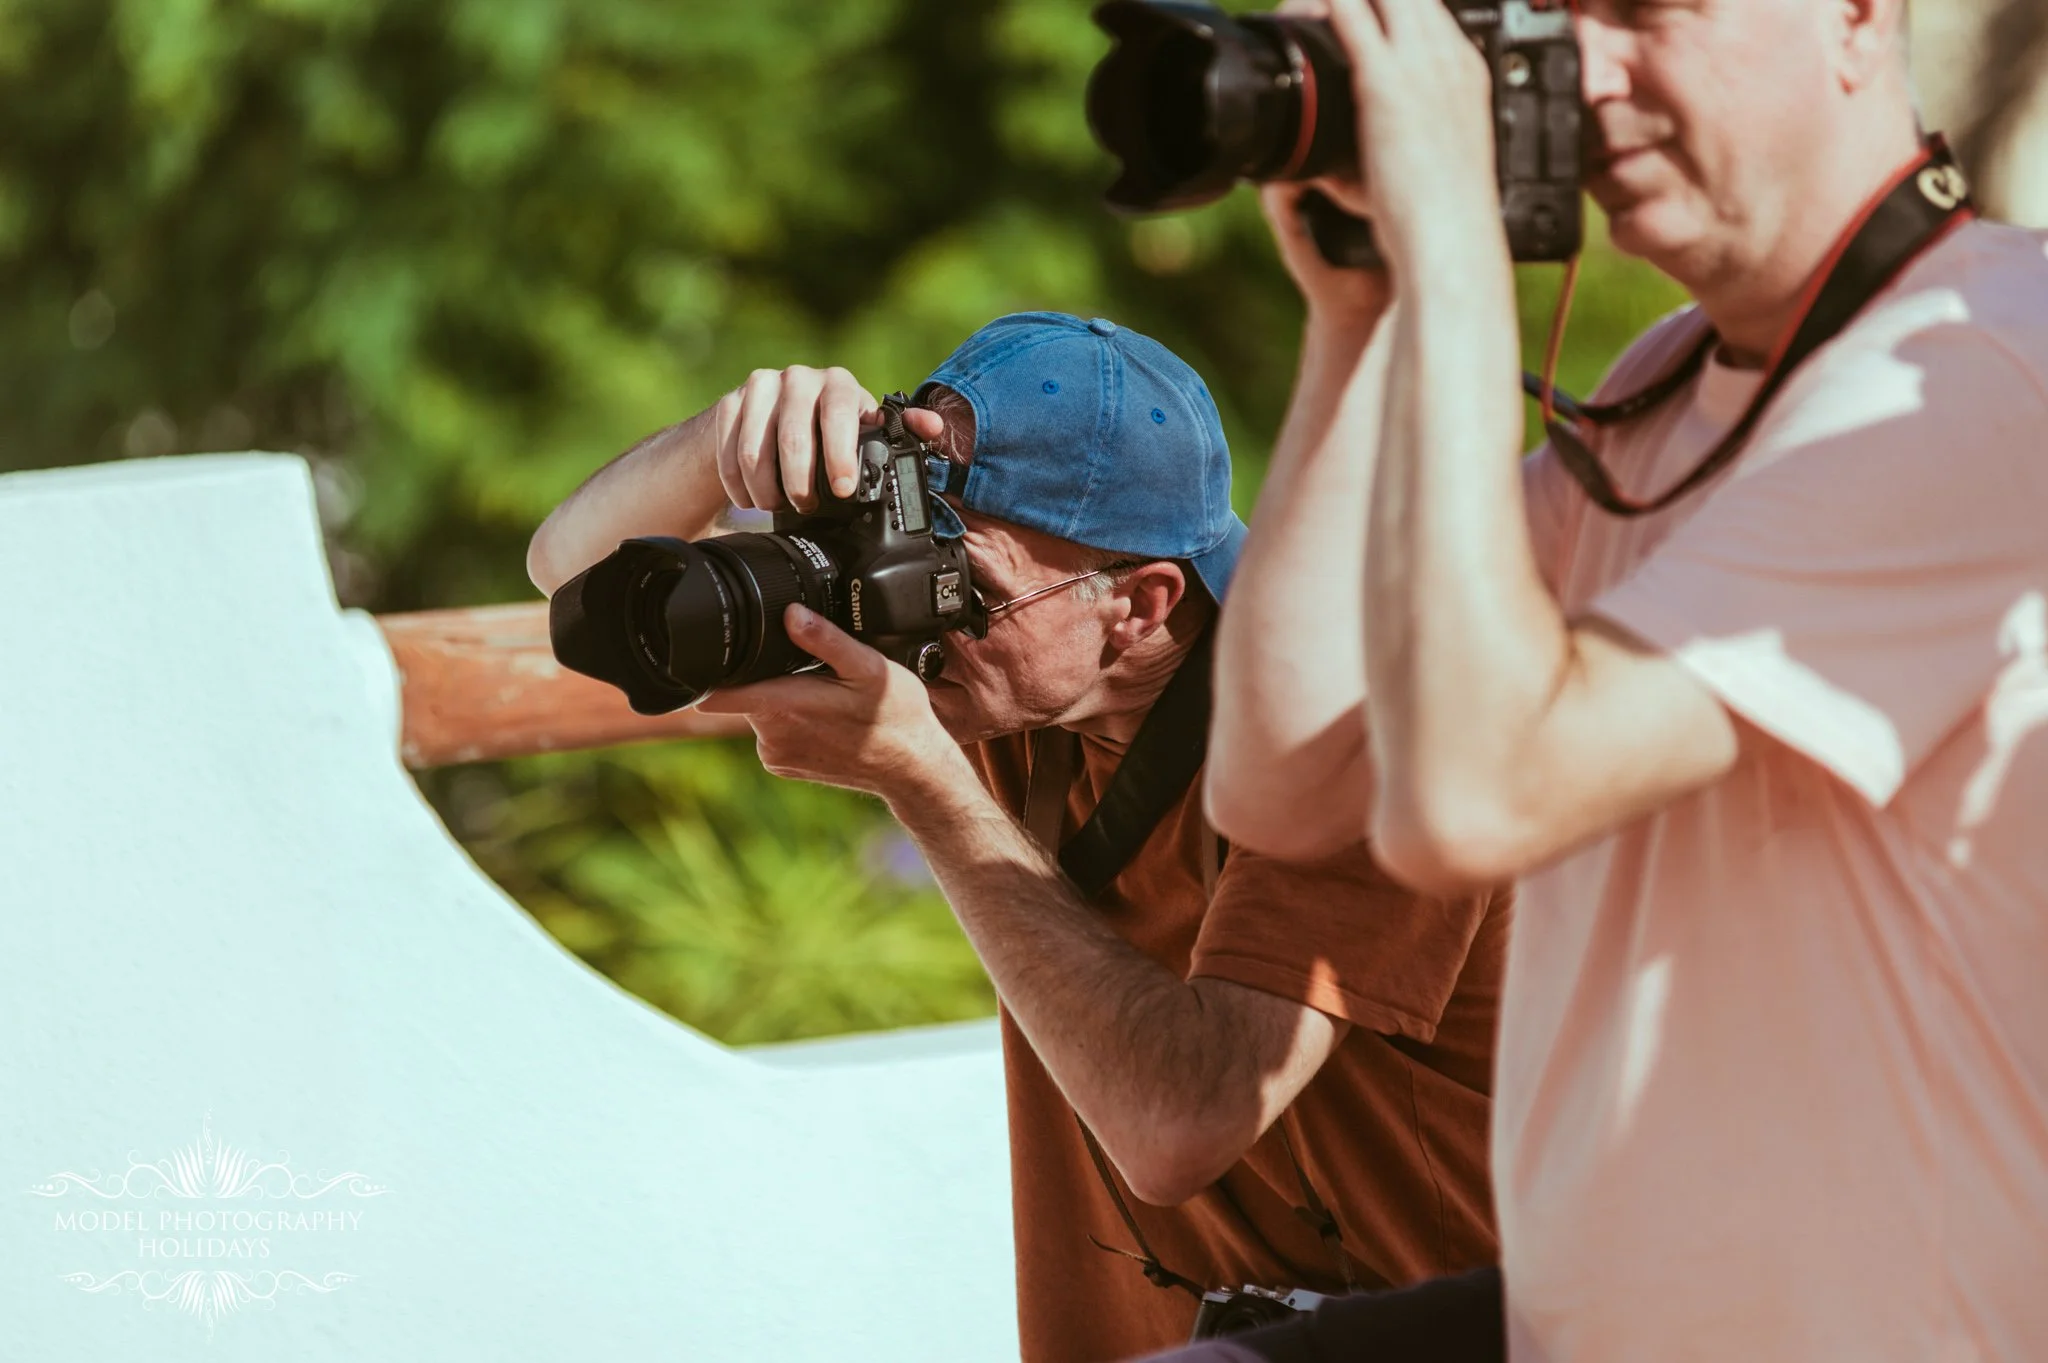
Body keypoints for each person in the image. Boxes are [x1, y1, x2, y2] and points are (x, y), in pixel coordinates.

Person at [1204, 0, 2048, 1358]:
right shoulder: (1679, 378)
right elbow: (1288, 775)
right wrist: (1360, 314)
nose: (1589, 76)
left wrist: (1455, 261)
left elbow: (1470, 801)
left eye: (1649, 13)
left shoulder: (1984, 364)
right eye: (1555, 17)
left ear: (1858, 17)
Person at [525, 312, 1510, 1362]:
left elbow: (1179, 1122)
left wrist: (924, 783)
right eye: (911, 551)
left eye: (967, 585)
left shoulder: (1349, 731)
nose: (916, 614)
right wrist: (724, 435)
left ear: (1137, 604)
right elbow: (569, 575)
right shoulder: (1005, 686)